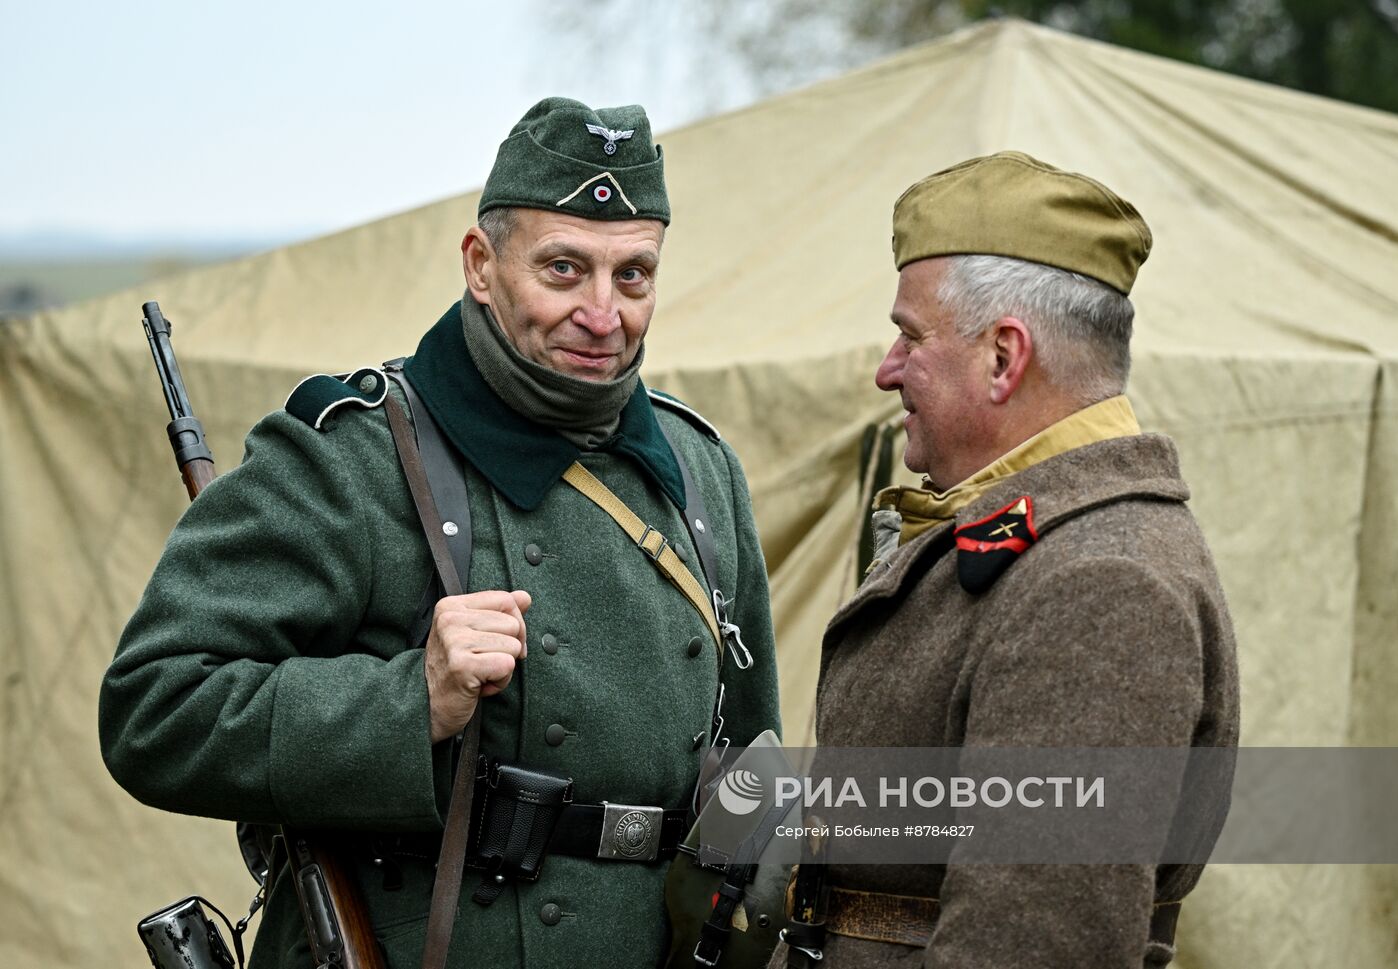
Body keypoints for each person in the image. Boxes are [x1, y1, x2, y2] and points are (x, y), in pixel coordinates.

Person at [100, 97, 780, 969]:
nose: (604, 314)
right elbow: (152, 708)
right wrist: (410, 700)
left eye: (634, 275)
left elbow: (751, 767)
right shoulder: (354, 456)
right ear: (481, 264)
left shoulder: (701, 470)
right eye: (564, 270)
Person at [774, 152, 1239, 968]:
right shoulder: (1044, 539)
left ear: (1002, 356)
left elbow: (1035, 942)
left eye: (909, 336)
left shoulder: (1099, 583)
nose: (888, 370)